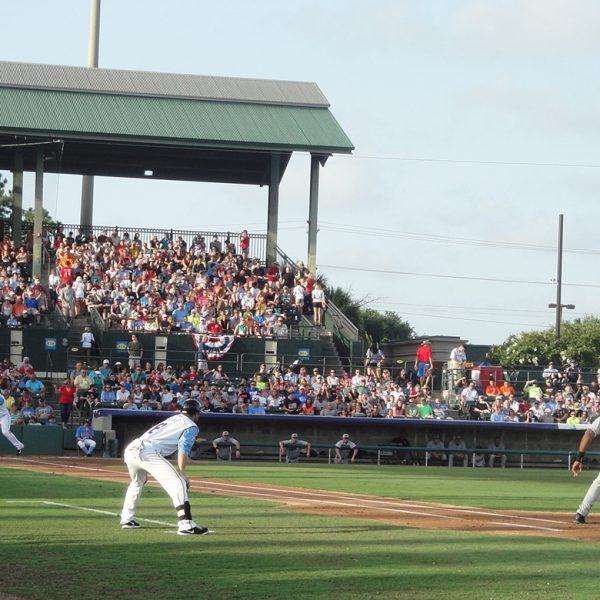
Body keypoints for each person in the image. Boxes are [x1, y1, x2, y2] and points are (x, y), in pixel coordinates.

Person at [119, 399, 209, 534]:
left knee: (137, 483)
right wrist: (182, 472)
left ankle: (127, 519)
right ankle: (186, 524)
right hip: (147, 451)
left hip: (132, 448)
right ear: (196, 413)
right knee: (178, 483)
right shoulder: (191, 425)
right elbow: (183, 448)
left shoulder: (175, 418)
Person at [0, 388, 24, 455]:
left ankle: (19, 446)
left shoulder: (1, 397)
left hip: (4, 416)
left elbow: (1, 401)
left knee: (5, 432)